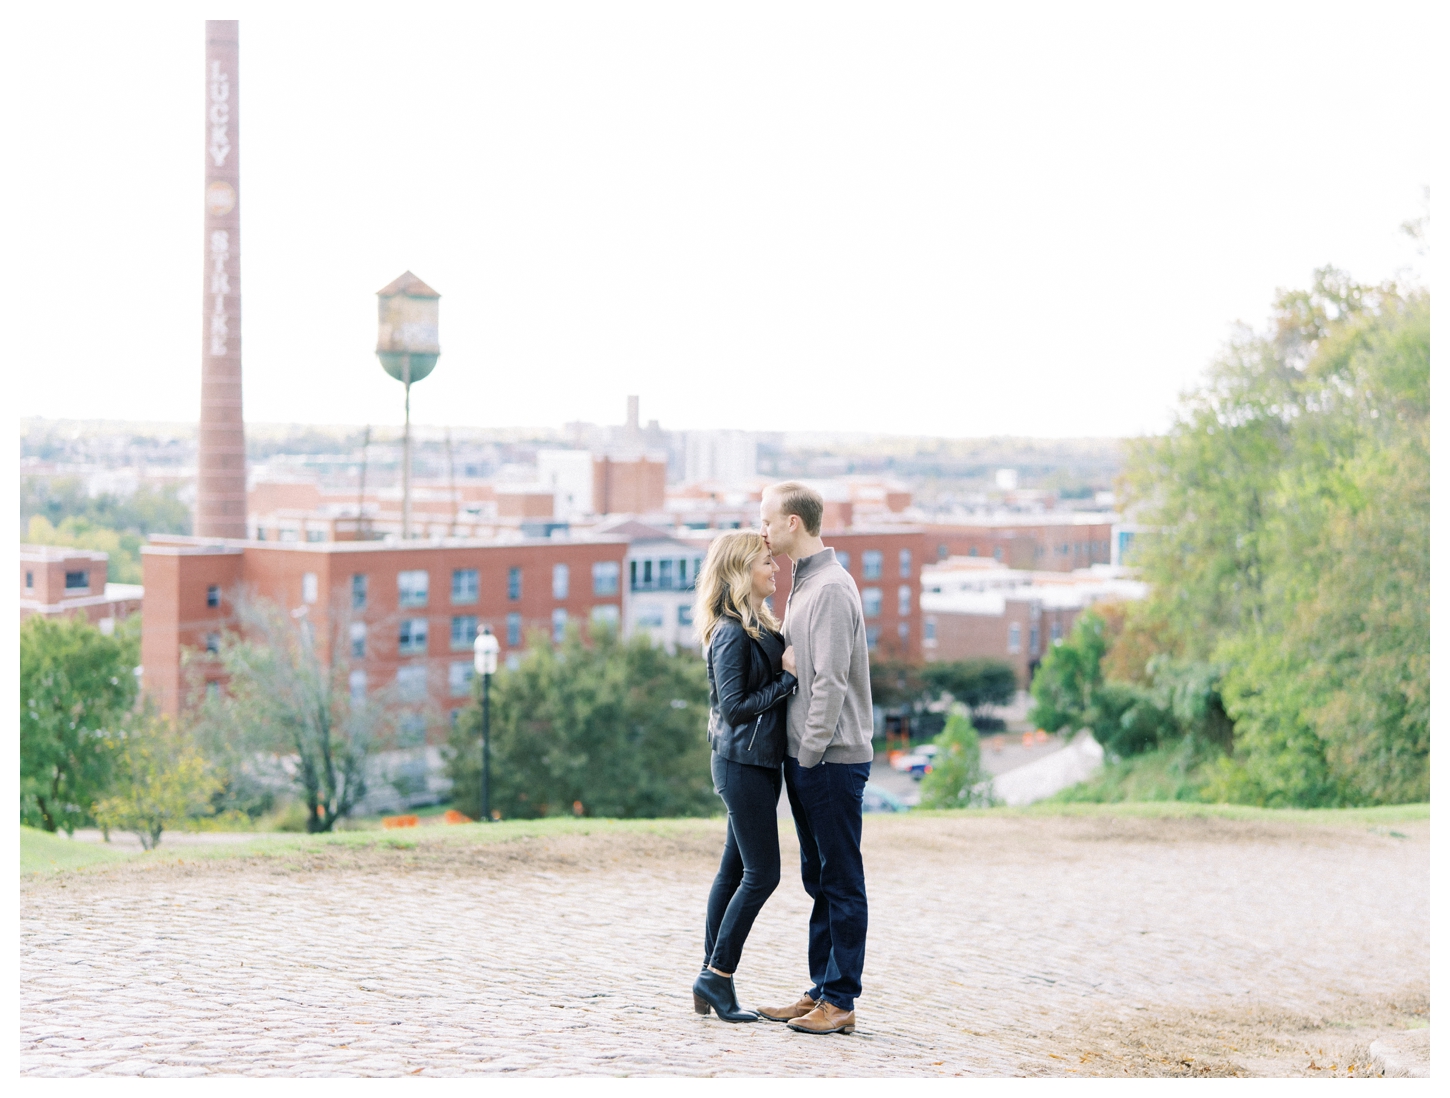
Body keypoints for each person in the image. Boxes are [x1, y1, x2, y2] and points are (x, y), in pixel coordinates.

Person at [755, 481, 873, 1036]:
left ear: (794, 523)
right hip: (813, 757)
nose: (763, 529)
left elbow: (829, 683)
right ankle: (822, 988)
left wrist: (807, 754)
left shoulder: (827, 588)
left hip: (829, 758)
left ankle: (841, 999)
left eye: (768, 519)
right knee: (819, 877)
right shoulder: (806, 584)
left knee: (841, 879)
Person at [690, 529, 799, 1023]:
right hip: (742, 764)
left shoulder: (756, 624)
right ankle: (717, 977)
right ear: (740, 571)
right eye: (765, 563)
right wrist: (788, 680)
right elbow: (733, 709)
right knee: (763, 874)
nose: (775, 569)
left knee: (733, 872)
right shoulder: (732, 631)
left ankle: (709, 975)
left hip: (753, 763)